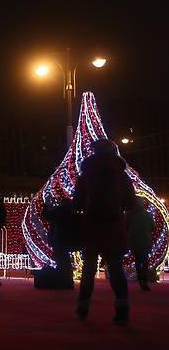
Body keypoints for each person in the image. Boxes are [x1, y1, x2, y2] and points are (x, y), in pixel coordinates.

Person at [73, 139, 136, 326]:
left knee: (88, 269)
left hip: (92, 226)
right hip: (114, 227)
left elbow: (77, 202)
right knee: (116, 269)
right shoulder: (121, 175)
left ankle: (83, 307)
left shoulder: (86, 175)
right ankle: (122, 309)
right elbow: (131, 203)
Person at [126, 196, 155, 291]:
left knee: (138, 262)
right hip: (146, 241)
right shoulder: (148, 215)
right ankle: (145, 281)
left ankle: (140, 280)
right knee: (145, 262)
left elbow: (125, 227)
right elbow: (153, 228)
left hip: (134, 240)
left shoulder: (129, 214)